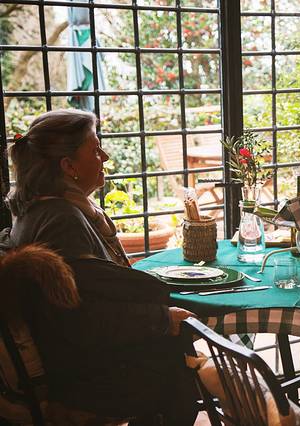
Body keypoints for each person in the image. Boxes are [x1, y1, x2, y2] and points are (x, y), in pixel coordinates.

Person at [1, 109, 199, 424]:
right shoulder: (62, 220)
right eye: (95, 150)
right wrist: (161, 318)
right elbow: (80, 319)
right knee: (180, 365)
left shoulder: (36, 210)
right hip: (82, 380)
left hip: (71, 365)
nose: (105, 156)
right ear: (68, 166)